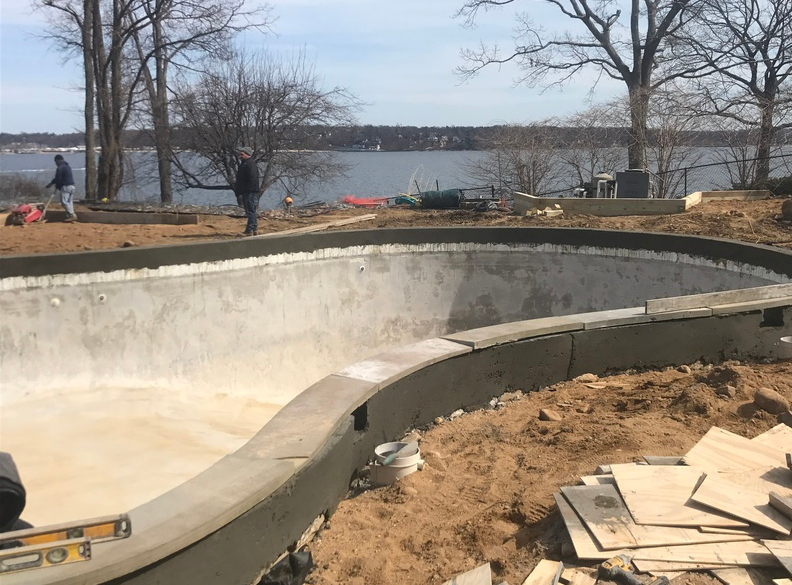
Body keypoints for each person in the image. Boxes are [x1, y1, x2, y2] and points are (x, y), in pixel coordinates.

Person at [235, 147, 260, 236]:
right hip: (246, 191)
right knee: (251, 210)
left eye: (242, 154)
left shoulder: (250, 164)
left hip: (250, 191)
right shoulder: (244, 163)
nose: (240, 156)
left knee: (250, 211)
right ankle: (254, 228)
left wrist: (249, 190)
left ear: (247, 154)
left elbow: (252, 178)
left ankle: (249, 230)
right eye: (240, 154)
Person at [45, 154, 77, 222]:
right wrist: (52, 183)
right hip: (72, 186)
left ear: (58, 160)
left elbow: (58, 178)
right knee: (69, 202)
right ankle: (70, 215)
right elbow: (58, 178)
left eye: (56, 162)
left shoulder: (60, 168)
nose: (55, 163)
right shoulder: (67, 166)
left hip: (66, 186)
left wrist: (57, 186)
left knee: (64, 202)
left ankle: (72, 215)